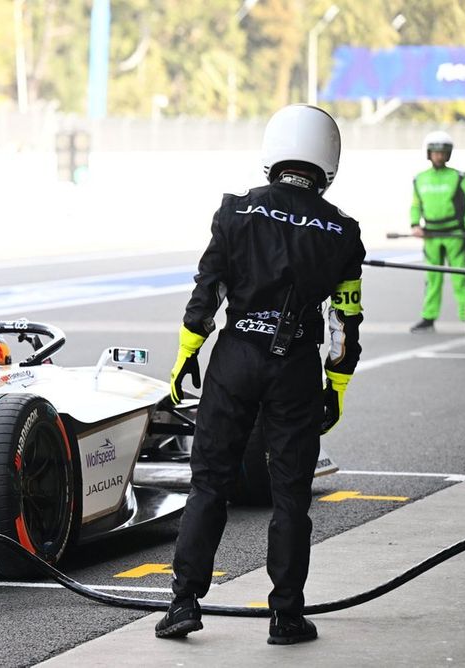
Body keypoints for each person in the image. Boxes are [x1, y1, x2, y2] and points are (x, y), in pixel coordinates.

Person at [156, 104, 365, 645]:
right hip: (295, 364)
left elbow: (208, 293)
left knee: (209, 484)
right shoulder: (343, 232)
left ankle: (183, 605)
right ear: (328, 162)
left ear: (274, 151)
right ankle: (287, 617)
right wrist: (336, 386)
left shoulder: (236, 211)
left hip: (235, 358)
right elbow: (344, 324)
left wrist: (186, 355)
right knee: (291, 495)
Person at [409, 131, 465, 332]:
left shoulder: (458, 177)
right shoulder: (419, 179)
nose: (439, 156)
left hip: (455, 235)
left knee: (460, 279)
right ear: (429, 154)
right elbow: (415, 205)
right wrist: (415, 224)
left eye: (443, 152)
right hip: (431, 236)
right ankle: (429, 318)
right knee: (432, 278)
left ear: (448, 154)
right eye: (435, 152)